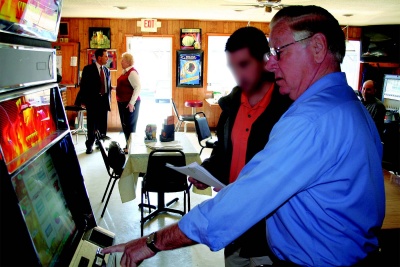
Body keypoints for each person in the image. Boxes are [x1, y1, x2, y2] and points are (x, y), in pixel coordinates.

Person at [102, 5, 385, 267]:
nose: (271, 65)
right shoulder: (350, 106)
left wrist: (152, 242)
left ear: (318, 47)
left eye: (279, 52)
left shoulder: (309, 120)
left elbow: (241, 203)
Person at [189, 26, 292, 267]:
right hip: (234, 229)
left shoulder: (288, 110)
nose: (237, 73)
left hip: (271, 235)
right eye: (232, 66)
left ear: (266, 60)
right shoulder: (231, 107)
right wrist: (206, 173)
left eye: (244, 64)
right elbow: (223, 156)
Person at [78, 48, 111, 154]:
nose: (107, 58)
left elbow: (107, 86)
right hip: (92, 102)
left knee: (103, 124)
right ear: (99, 57)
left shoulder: (107, 70)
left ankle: (100, 142)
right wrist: (83, 101)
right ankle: (90, 145)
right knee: (92, 124)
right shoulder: (88, 69)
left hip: (104, 101)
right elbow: (83, 86)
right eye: (106, 56)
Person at [116, 52, 141, 153]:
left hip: (129, 103)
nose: (121, 62)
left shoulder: (132, 72)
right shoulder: (125, 72)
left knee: (130, 126)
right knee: (125, 125)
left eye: (122, 60)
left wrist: (131, 103)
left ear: (127, 62)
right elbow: (124, 86)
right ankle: (128, 145)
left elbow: (138, 87)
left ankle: (130, 147)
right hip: (122, 102)